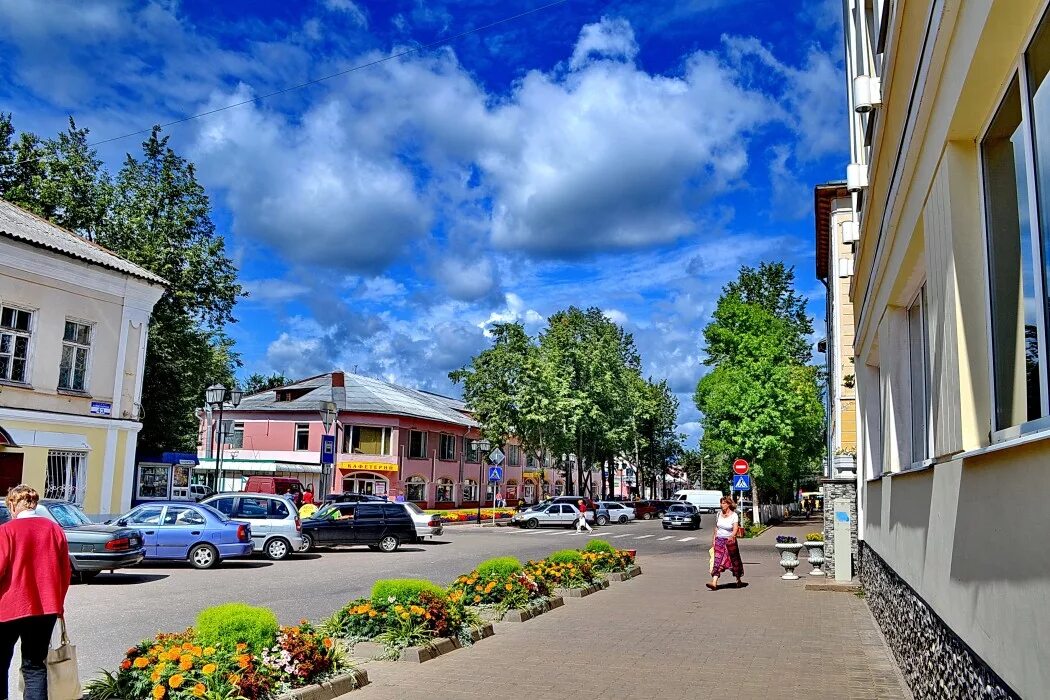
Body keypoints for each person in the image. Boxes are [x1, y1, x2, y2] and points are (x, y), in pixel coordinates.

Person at [0, 485, 72, 700]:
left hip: (8, 608)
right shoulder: (54, 529)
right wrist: (58, 603)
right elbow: (64, 572)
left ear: (13, 504)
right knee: (34, 665)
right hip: (45, 608)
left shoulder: (7, 531)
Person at [708, 496, 744, 590]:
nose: (721, 505)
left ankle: (738, 579)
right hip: (719, 540)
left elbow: (735, 529)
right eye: (721, 503)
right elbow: (716, 528)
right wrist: (714, 540)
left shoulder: (734, 515)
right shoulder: (718, 514)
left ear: (728, 504)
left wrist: (731, 536)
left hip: (730, 542)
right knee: (717, 561)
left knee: (733, 562)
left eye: (724, 503)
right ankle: (714, 582)